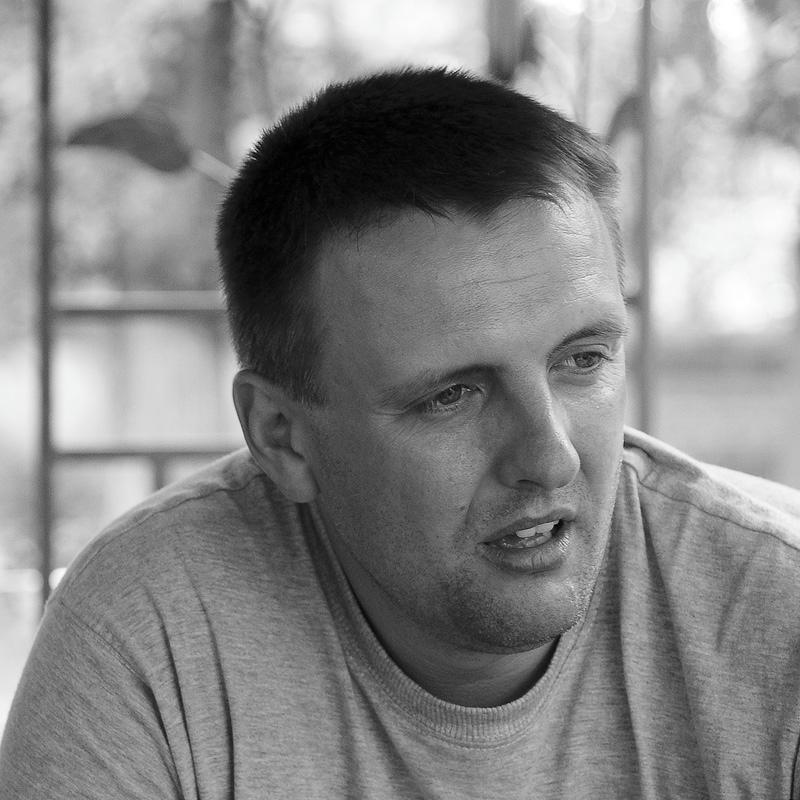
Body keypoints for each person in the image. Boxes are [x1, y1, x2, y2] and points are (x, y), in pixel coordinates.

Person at [1, 66, 799, 800]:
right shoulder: (147, 635)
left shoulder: (776, 613)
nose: (550, 457)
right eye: (451, 396)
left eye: (581, 360)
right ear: (283, 437)